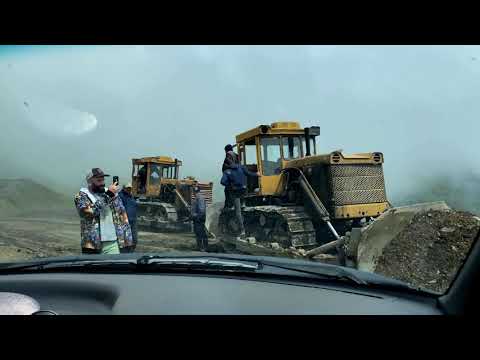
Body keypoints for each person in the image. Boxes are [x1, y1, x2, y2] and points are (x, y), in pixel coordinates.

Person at [74, 168, 132, 255]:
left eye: (103, 179)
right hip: (92, 244)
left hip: (112, 242)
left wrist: (127, 238)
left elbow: (122, 213)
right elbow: (91, 212)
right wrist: (108, 195)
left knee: (112, 268)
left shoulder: (111, 193)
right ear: (90, 181)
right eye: (99, 180)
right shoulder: (81, 196)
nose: (102, 183)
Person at [221, 163, 259, 239]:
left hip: (235, 193)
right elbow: (249, 174)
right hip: (244, 192)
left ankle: (242, 230)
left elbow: (222, 182)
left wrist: (230, 184)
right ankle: (244, 203)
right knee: (243, 197)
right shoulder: (242, 167)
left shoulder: (227, 171)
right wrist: (257, 174)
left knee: (238, 212)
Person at [118, 183, 138, 253]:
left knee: (134, 240)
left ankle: (131, 252)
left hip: (133, 221)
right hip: (125, 221)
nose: (129, 189)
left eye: (130, 188)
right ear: (123, 188)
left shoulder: (131, 196)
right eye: (127, 188)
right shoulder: (121, 196)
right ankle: (125, 254)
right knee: (126, 240)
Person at [191, 185, 208, 251]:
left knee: (200, 233)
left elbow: (202, 210)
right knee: (200, 232)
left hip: (199, 218)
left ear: (194, 191)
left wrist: (196, 216)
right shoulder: (198, 197)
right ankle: (202, 247)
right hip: (199, 217)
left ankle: (202, 247)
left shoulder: (199, 198)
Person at [222, 144, 239, 209]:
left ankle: (228, 207)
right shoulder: (237, 156)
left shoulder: (228, 155)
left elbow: (226, 168)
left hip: (231, 180)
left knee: (228, 192)